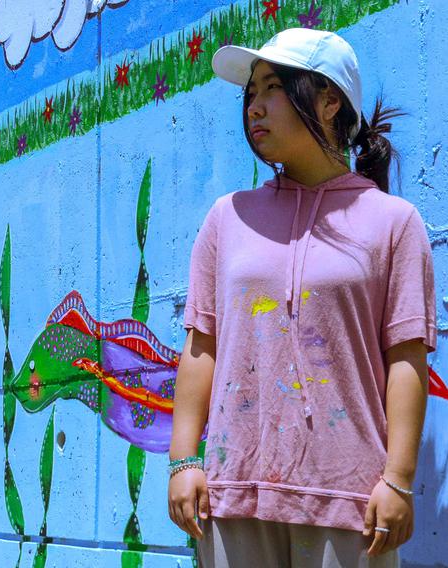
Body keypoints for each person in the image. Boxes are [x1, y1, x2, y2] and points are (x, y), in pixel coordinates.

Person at [167, 27, 437, 567]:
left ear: (330, 100)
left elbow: (406, 358)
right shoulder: (227, 218)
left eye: (272, 88)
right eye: (251, 93)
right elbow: (202, 348)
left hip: (352, 500)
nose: (254, 107)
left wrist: (399, 480)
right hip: (233, 490)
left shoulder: (394, 223)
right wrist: (183, 461)